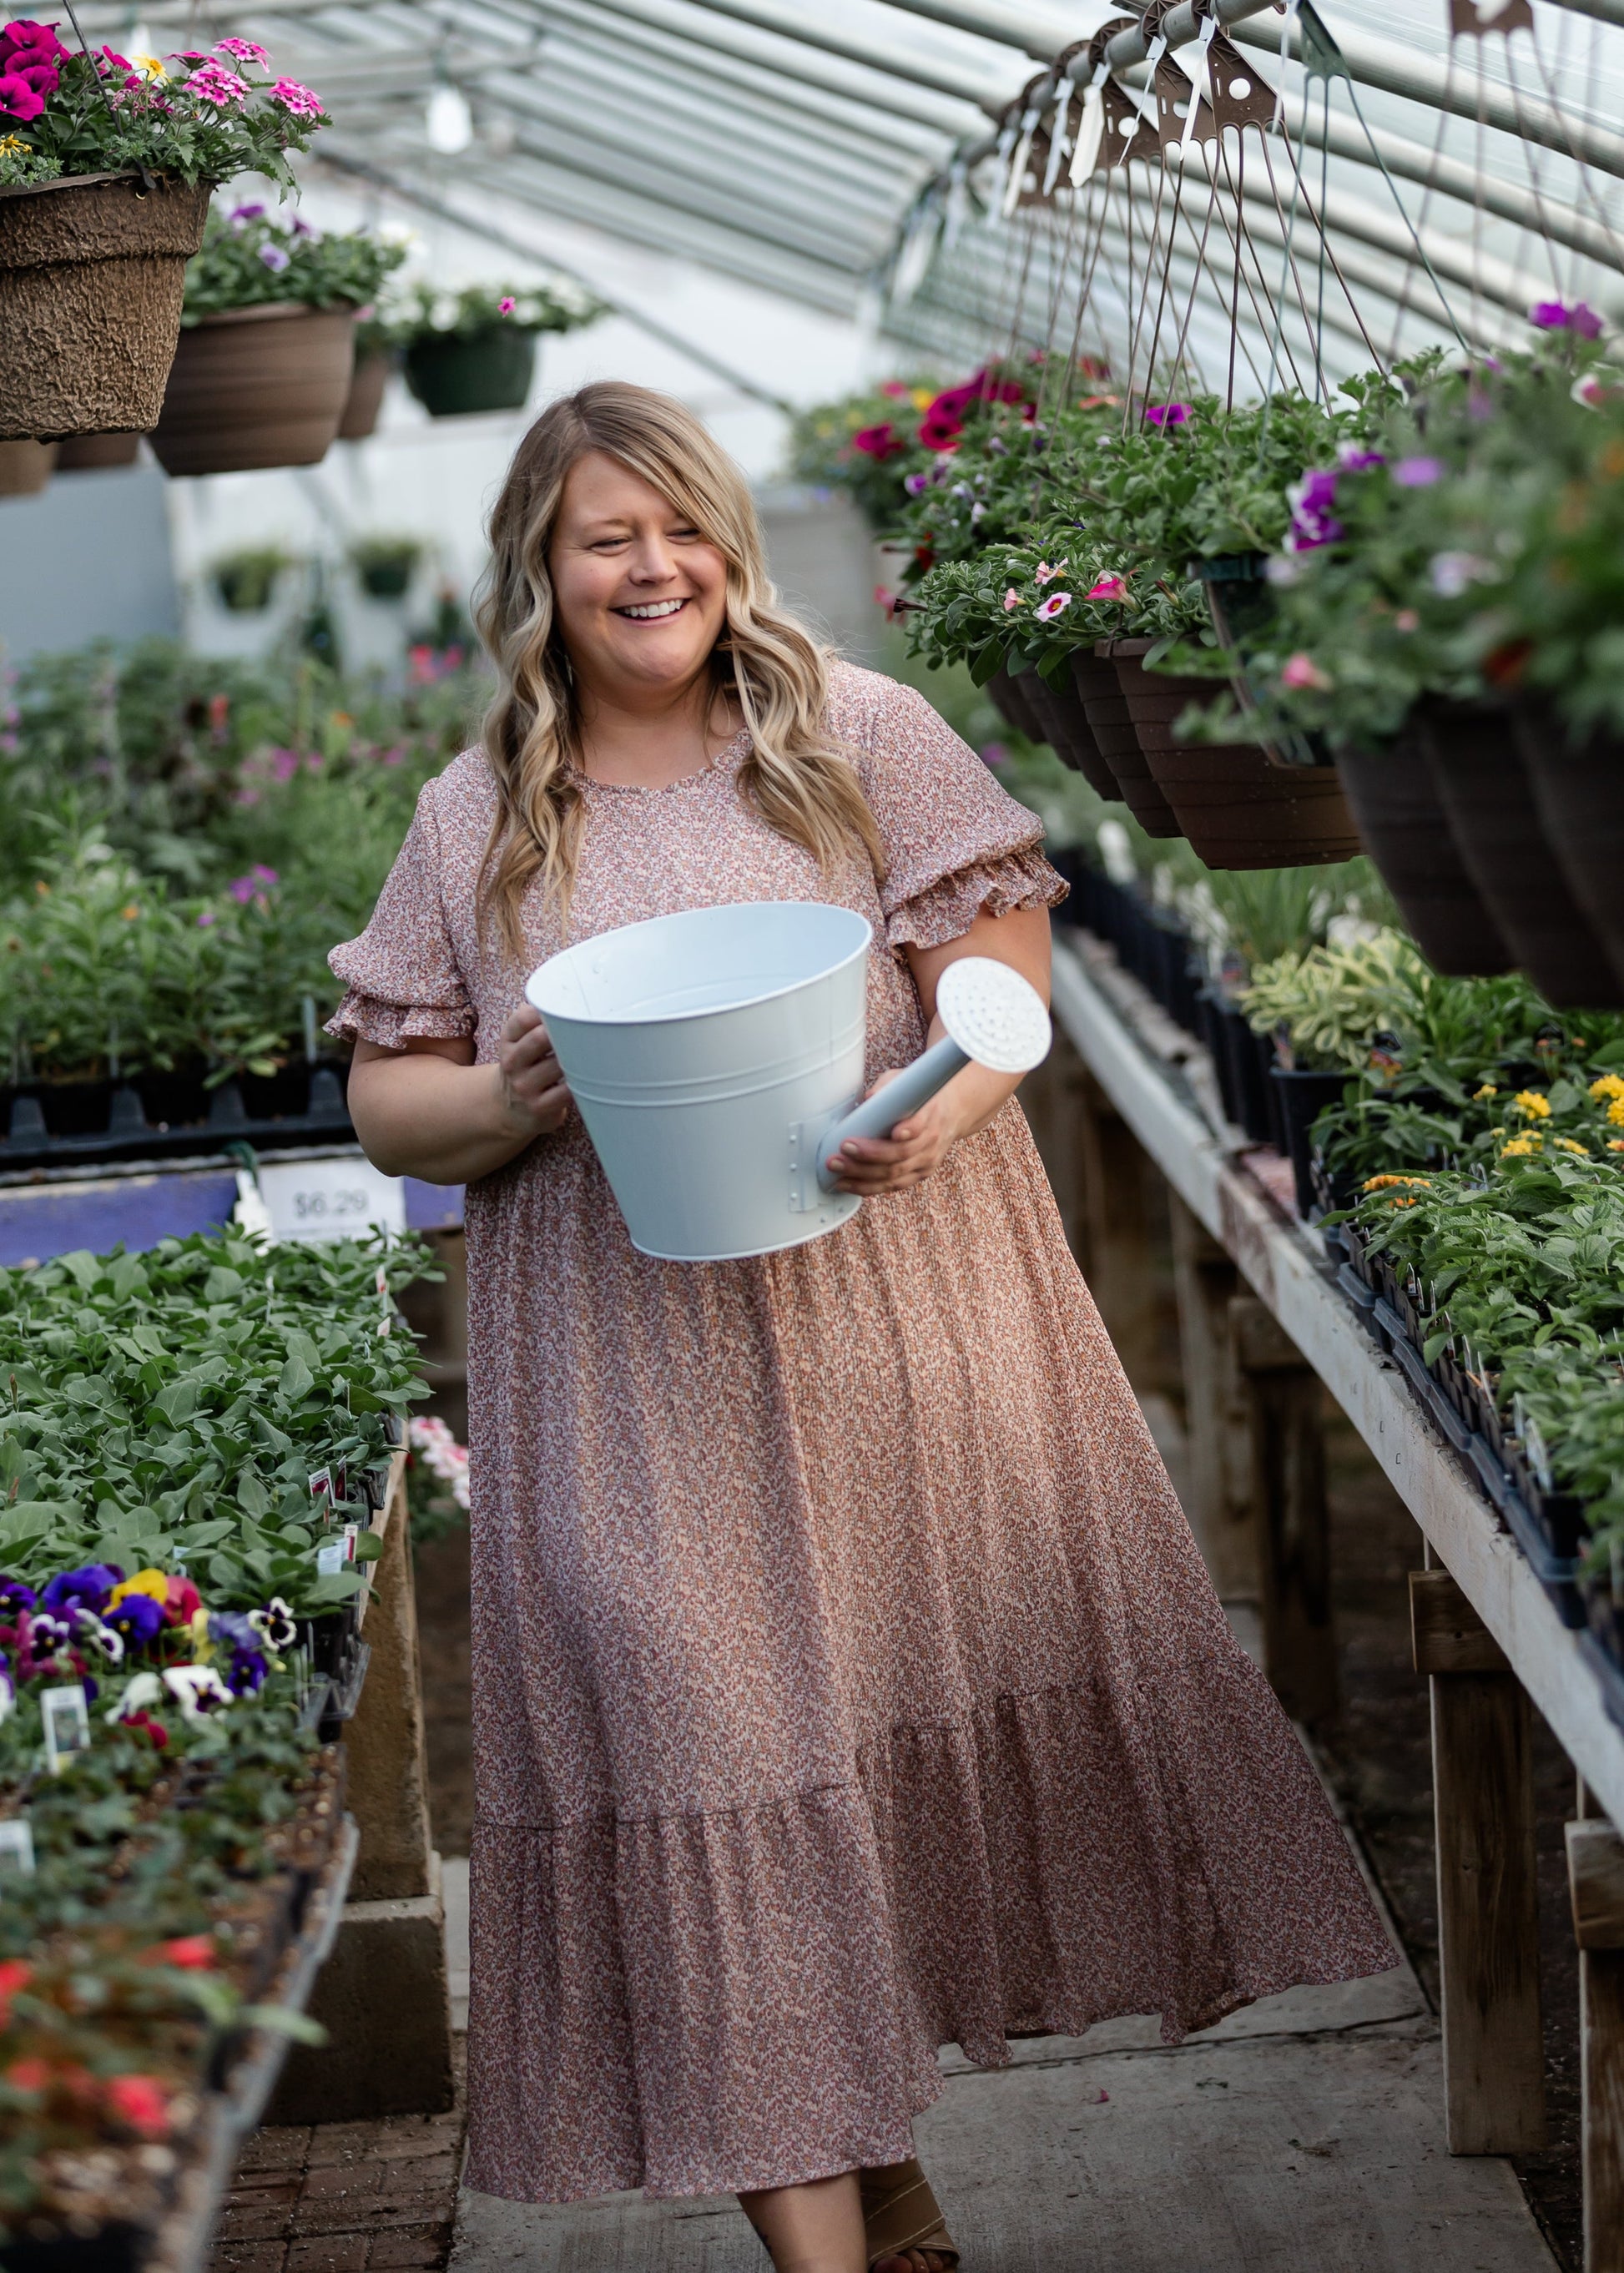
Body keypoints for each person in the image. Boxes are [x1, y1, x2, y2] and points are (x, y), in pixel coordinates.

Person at [332, 381, 1394, 2273]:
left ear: (725, 545)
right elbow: (390, 1098)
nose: (648, 566)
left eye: (678, 527)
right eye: (603, 538)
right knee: (698, 1760)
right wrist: (513, 1102)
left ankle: (879, 2184)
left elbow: (999, 970)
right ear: (542, 572)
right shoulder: (481, 810)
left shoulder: (851, 731)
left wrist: (936, 1116)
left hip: (881, 1322)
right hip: (621, 1371)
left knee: (860, 1770)